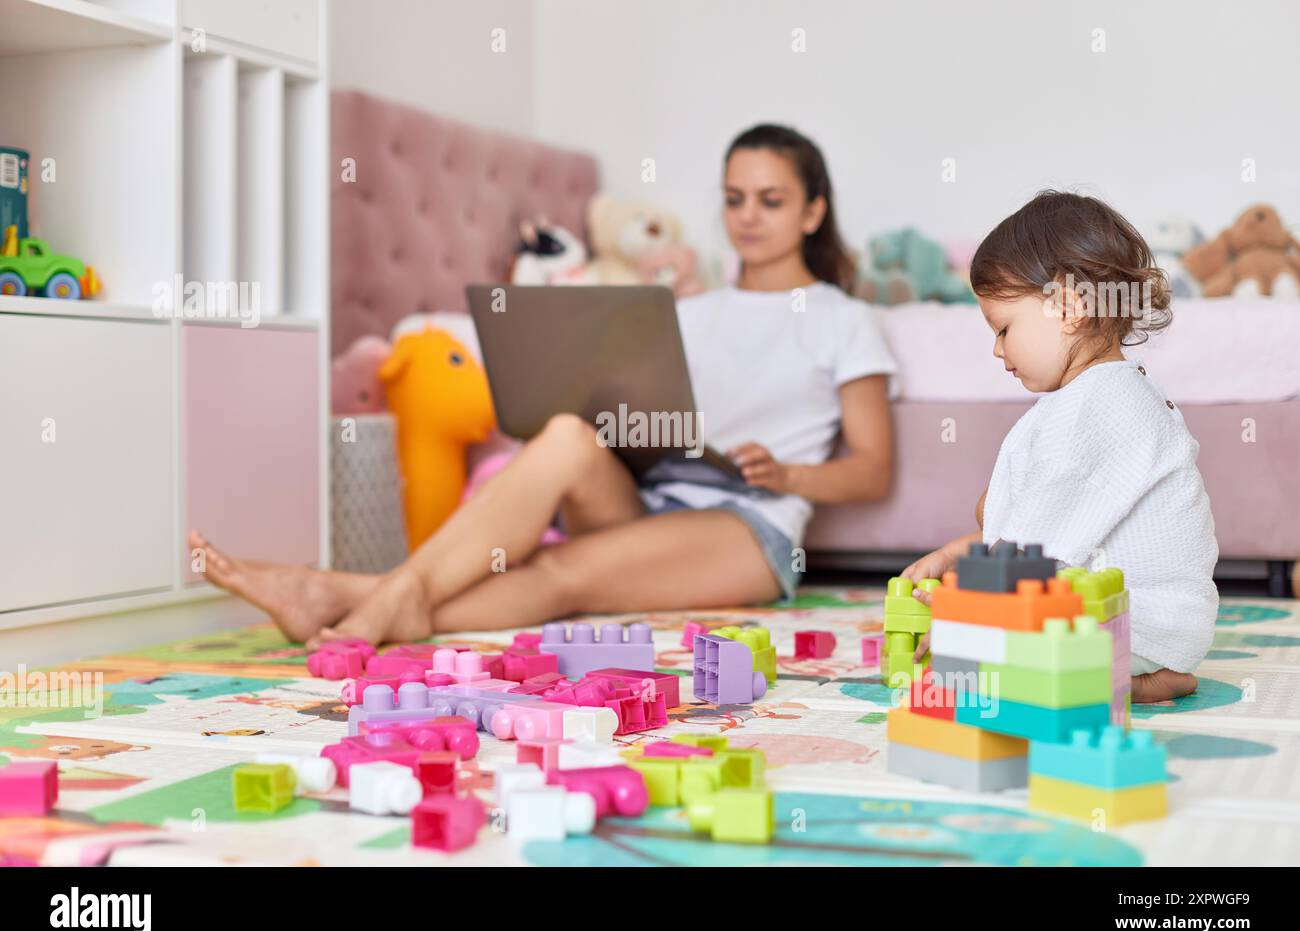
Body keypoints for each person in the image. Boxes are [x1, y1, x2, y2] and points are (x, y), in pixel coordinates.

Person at [192, 123, 897, 648]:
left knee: (561, 574)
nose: (747, 216)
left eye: (770, 200)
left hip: (750, 525)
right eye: (735, 198)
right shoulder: (685, 309)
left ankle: (353, 595)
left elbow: (872, 470)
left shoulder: (845, 319)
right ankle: (383, 596)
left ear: (812, 212)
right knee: (565, 433)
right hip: (650, 497)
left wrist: (787, 471)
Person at [904, 190, 1218, 703]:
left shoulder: (1095, 410)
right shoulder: (1115, 390)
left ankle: (1126, 670)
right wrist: (957, 554)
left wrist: (966, 620)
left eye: (1004, 328)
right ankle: (1148, 677)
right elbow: (1060, 526)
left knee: (989, 668)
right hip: (1169, 625)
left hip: (1138, 621)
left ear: (1068, 307)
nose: (997, 348)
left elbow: (1037, 555)